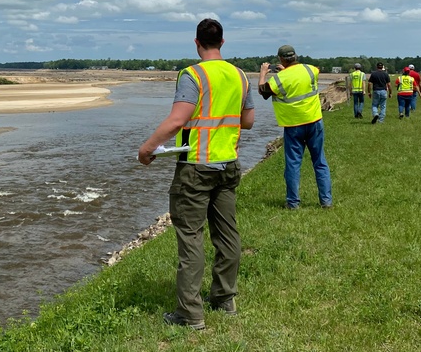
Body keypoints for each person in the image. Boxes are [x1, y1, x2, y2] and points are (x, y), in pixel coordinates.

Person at [137, 18, 255, 330]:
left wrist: (147, 149)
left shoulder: (193, 74)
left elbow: (178, 120)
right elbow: (248, 121)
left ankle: (190, 315)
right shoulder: (240, 75)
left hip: (196, 167)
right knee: (228, 234)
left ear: (196, 42)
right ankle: (225, 298)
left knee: (190, 237)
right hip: (228, 164)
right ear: (223, 42)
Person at [258, 45, 333, 210]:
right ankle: (326, 201)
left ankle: (293, 203)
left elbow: (263, 92)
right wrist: (286, 69)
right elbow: (304, 76)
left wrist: (263, 73)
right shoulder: (310, 69)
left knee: (293, 163)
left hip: (293, 126)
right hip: (314, 121)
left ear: (280, 59)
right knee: (319, 161)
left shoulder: (279, 79)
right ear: (295, 56)